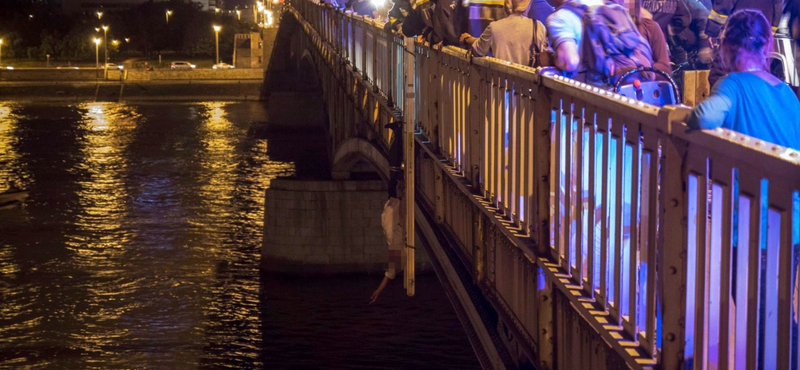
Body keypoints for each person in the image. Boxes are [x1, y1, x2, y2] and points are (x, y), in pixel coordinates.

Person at [687, 9, 800, 151]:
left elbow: (703, 117)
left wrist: (683, 114)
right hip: (788, 172)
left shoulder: (732, 84)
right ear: (766, 47)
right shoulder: (786, 91)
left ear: (725, 46)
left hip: (750, 172)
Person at [705, 0, 782, 86]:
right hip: (760, 35)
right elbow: (778, 7)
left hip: (739, 30)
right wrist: (769, 34)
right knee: (759, 75)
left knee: (719, 73)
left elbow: (725, 3)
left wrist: (713, 29)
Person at [460, 0, 552, 66]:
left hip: (500, 87)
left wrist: (467, 39)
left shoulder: (494, 27)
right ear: (528, 5)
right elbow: (545, 56)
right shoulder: (538, 27)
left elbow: (478, 50)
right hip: (528, 88)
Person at [370, 181, 406, 304]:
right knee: (394, 174)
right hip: (394, 204)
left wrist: (378, 291)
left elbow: (388, 275)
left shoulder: (394, 245)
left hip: (392, 205)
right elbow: (402, 219)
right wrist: (403, 197)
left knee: (393, 173)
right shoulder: (397, 242)